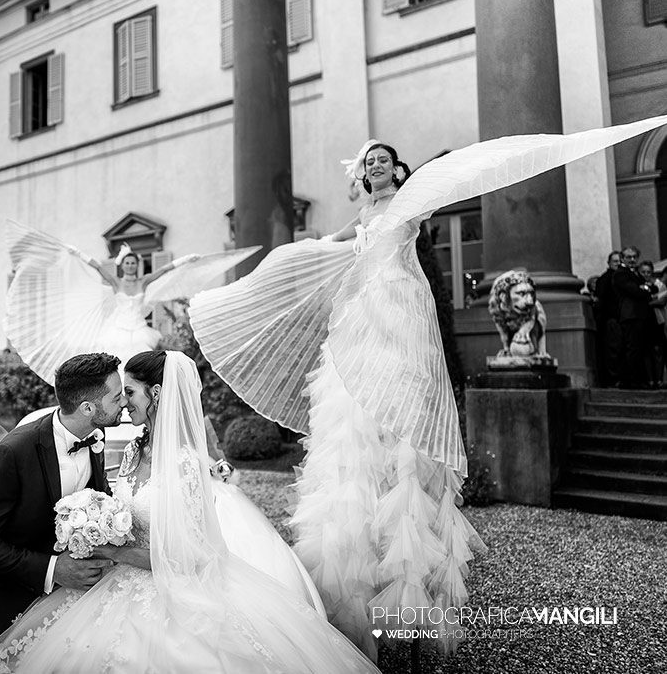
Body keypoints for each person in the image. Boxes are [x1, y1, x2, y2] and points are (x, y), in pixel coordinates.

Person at [187, 115, 667, 658]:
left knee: (404, 426)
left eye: (382, 160)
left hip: (400, 313)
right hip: (361, 317)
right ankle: (353, 593)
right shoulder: (364, 214)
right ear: (364, 175)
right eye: (368, 163)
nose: (375, 166)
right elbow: (330, 245)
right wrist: (276, 268)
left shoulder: (414, 202)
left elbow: (444, 187)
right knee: (354, 424)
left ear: (398, 168)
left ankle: (411, 603)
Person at [0, 350, 380, 673]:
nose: (123, 403)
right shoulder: (131, 448)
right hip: (111, 579)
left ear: (156, 394)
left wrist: (112, 552)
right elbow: (114, 502)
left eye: (129, 392)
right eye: (119, 394)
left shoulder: (186, 465)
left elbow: (190, 556)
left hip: (170, 590)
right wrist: (89, 519)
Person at [0, 353, 126, 674]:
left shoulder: (93, 439)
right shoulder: (14, 451)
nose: (123, 402)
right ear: (88, 408)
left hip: (38, 616)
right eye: (116, 396)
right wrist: (54, 569)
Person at [3, 221, 259, 383]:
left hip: (138, 328)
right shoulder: (115, 282)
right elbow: (95, 267)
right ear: (121, 265)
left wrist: (187, 260)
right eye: (127, 263)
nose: (130, 266)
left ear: (138, 265)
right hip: (117, 328)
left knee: (138, 359)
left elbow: (166, 270)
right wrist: (76, 253)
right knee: (114, 360)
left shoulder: (144, 282)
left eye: (134, 263)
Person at [615, 246, 654, 388]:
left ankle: (637, 379)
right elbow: (634, 291)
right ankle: (631, 381)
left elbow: (650, 288)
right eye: (629, 257)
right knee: (632, 348)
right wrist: (645, 288)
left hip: (639, 315)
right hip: (630, 315)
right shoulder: (621, 273)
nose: (632, 260)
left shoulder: (635, 273)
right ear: (622, 258)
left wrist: (645, 288)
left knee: (639, 348)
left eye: (634, 257)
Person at [596, 250, 623, 386]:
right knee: (613, 349)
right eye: (615, 261)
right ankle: (613, 379)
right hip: (612, 319)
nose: (618, 264)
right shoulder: (607, 278)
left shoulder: (617, 277)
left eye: (619, 261)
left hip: (618, 318)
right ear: (609, 263)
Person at [639, 259, 666, 387]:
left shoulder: (659, 285)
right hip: (643, 320)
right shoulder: (638, 285)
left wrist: (646, 303)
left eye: (648, 272)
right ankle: (650, 380)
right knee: (646, 351)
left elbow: (662, 301)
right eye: (643, 272)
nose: (646, 274)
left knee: (658, 350)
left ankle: (659, 379)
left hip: (657, 319)